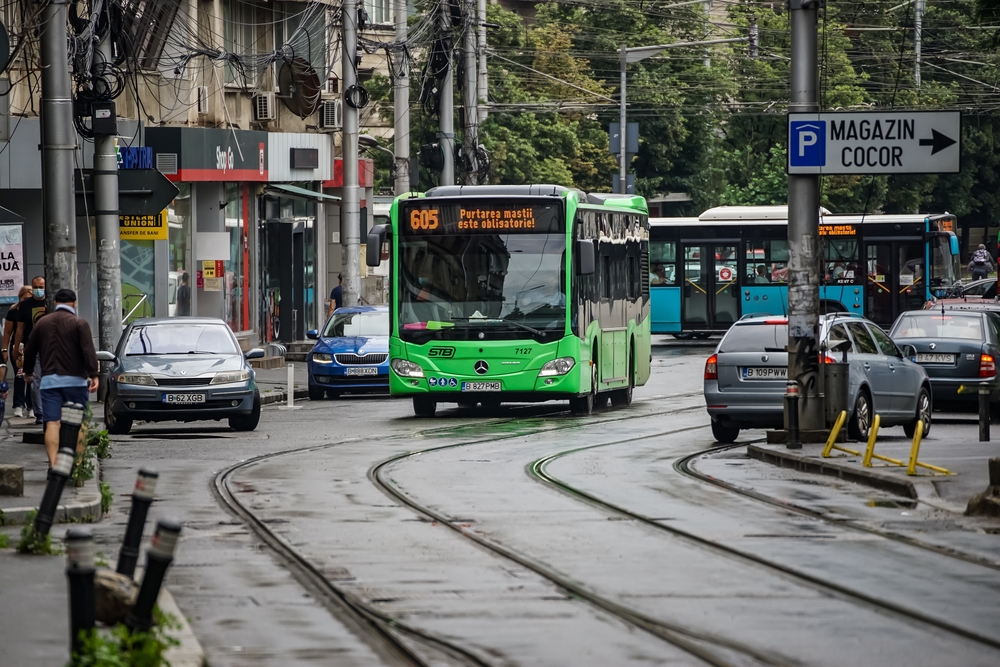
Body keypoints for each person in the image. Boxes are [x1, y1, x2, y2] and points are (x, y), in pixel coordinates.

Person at [23, 289, 99, 468]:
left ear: (55, 302)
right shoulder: (79, 323)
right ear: (74, 303)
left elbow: (29, 350)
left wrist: (27, 372)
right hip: (76, 383)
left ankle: (54, 465)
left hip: (49, 383)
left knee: (53, 423)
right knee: (79, 423)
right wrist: (94, 374)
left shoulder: (42, 323)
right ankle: (78, 466)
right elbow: (88, 350)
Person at [14, 276, 48, 424]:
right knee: (35, 382)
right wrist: (17, 347)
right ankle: (39, 413)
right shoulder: (26, 305)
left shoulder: (51, 302)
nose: (38, 290)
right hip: (33, 347)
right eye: (36, 287)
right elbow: (19, 328)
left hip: (51, 348)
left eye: (41, 287)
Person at [2, 286, 33, 418]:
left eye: (29, 298)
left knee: (32, 376)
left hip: (32, 346)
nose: (26, 300)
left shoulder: (35, 309)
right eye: (24, 298)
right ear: (20, 298)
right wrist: (4, 350)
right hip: (18, 347)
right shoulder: (14, 311)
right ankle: (19, 405)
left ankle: (32, 406)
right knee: (20, 375)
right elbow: (7, 332)